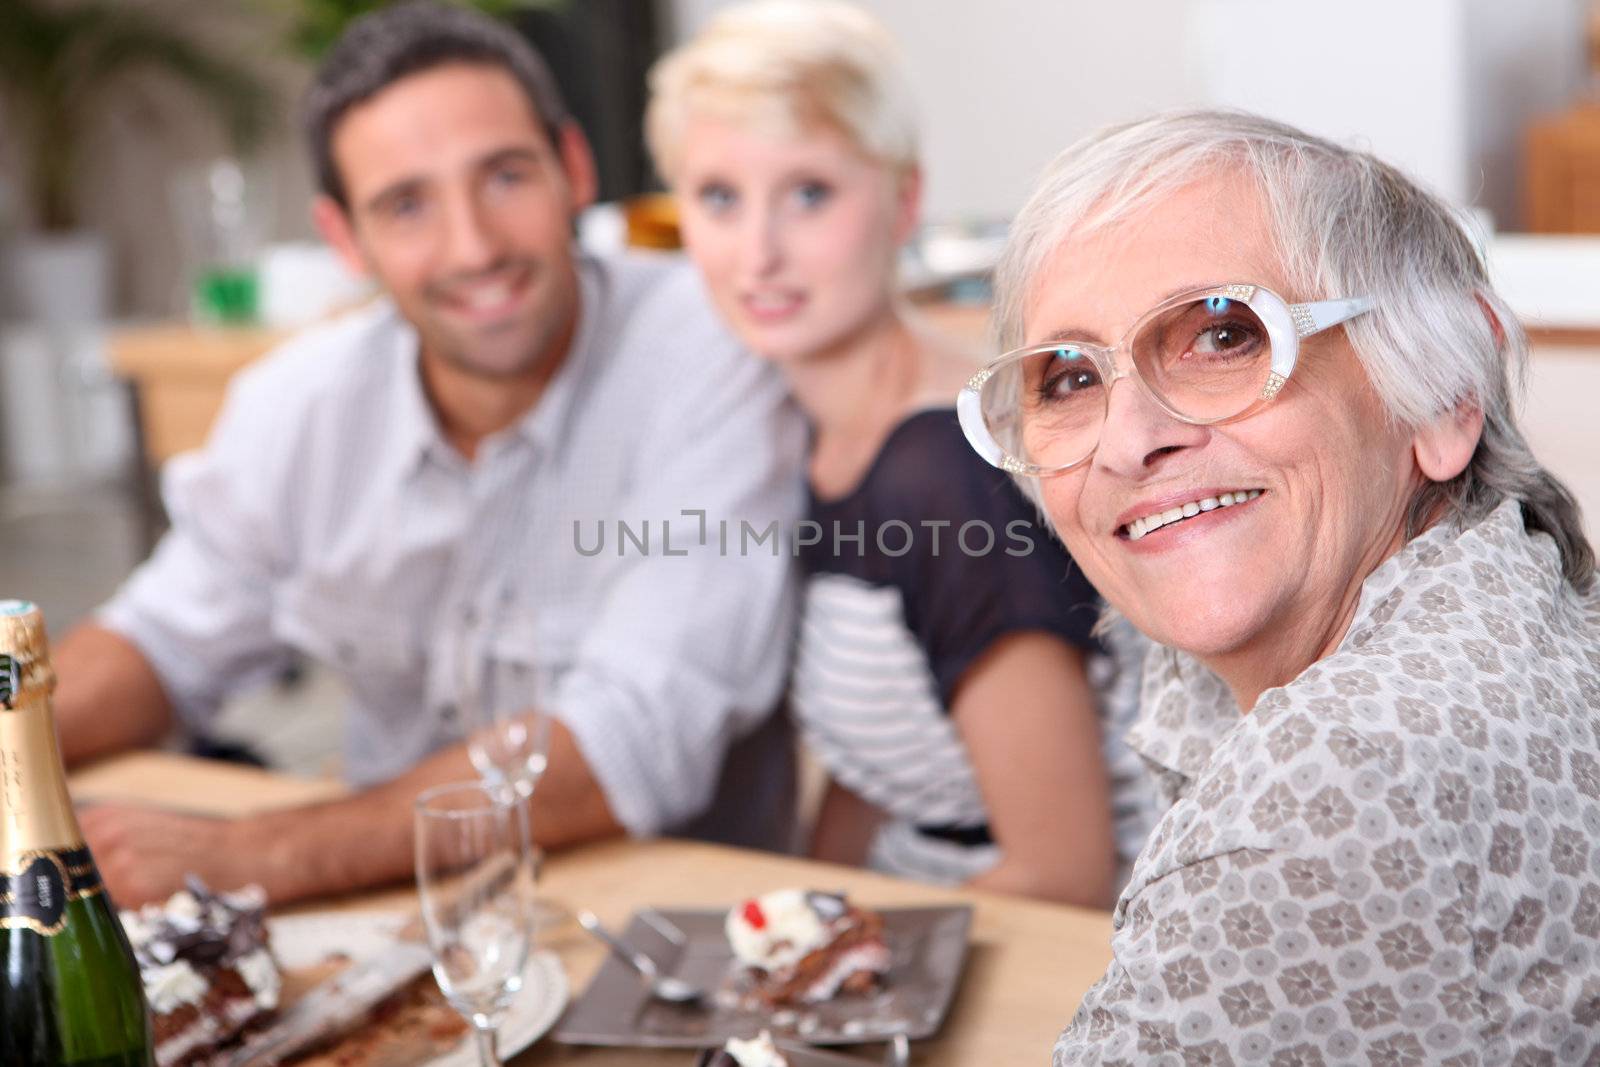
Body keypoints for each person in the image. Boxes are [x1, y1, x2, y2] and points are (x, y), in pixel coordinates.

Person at [55, 1, 805, 907]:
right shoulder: (300, 403)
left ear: (575, 169)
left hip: (658, 929)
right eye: (407, 204)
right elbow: (163, 639)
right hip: (387, 916)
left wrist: (266, 854)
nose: (474, 247)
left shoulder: (710, 357)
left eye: (504, 177)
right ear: (345, 240)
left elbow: (635, 736)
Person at [958, 109, 1600, 1061]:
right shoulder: (1500, 593)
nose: (1132, 443)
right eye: (1068, 378)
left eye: (1223, 336)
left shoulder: (1338, 781)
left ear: (1445, 396)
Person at [646, 0, 1152, 906]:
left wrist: (813, 957)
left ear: (904, 199)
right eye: (719, 197)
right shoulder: (801, 432)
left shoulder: (945, 473)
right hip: (913, 906)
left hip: (1034, 953)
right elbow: (874, 771)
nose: (758, 253)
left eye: (809, 193)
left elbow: (1065, 869)